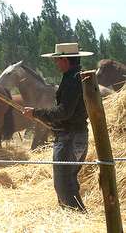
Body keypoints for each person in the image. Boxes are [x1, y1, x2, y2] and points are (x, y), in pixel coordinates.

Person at [23, 42, 93, 212]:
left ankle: (77, 218)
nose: (55, 64)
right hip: (77, 134)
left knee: (63, 183)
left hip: (69, 137)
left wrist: (37, 113)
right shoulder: (77, 76)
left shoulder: (71, 79)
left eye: (57, 60)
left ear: (64, 60)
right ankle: (74, 216)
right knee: (69, 180)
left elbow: (64, 112)